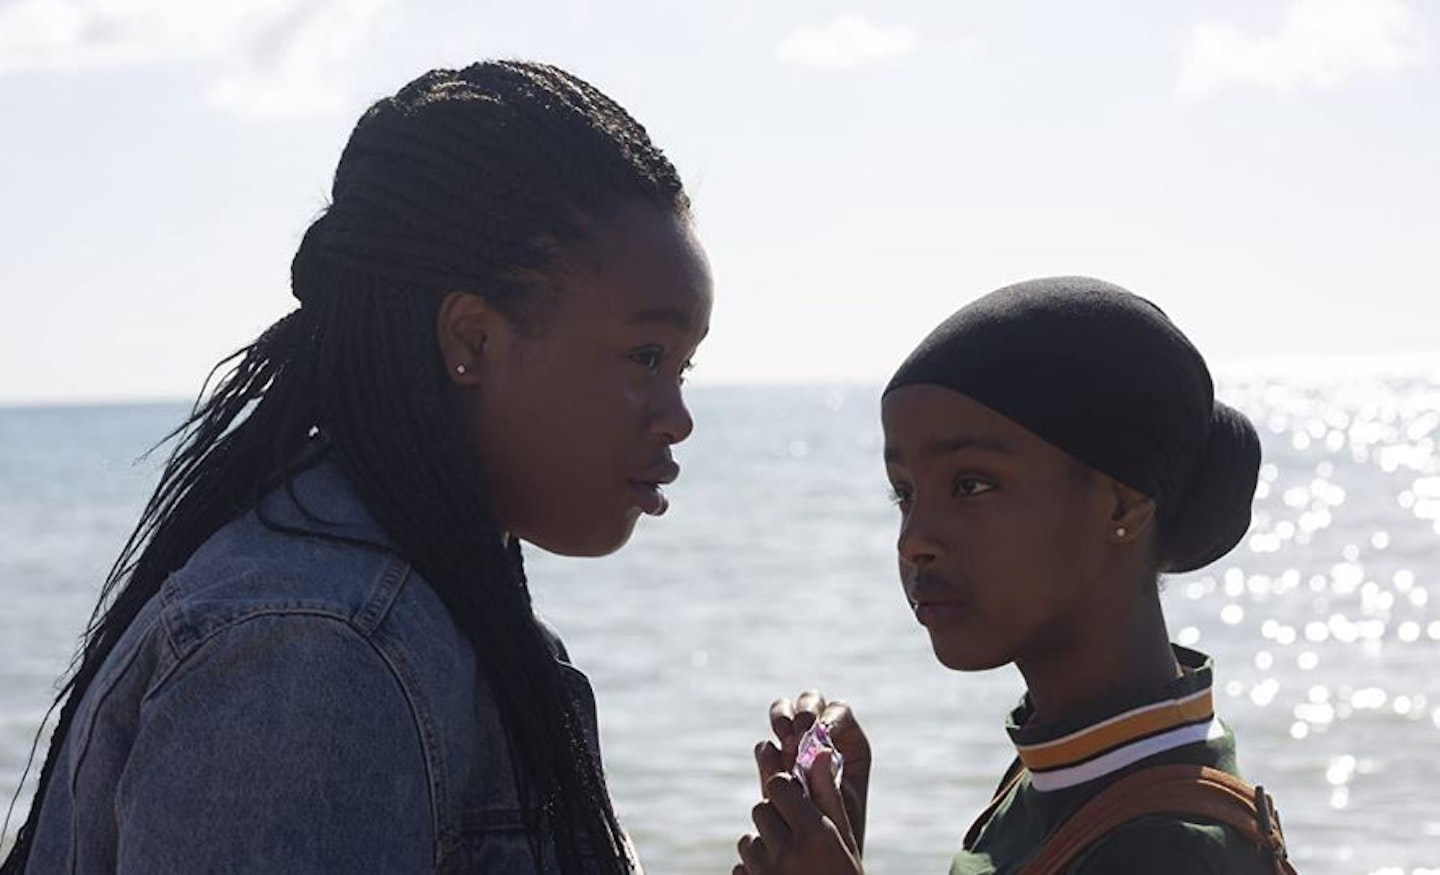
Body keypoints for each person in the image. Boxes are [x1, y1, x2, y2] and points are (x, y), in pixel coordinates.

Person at [2, 60, 711, 874]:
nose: (678, 416)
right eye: (645, 354)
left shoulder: (413, 615)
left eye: (681, 367)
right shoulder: (316, 655)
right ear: (472, 339)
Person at [736, 277, 1286, 874]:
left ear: (1123, 505)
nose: (914, 540)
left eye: (971, 485)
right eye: (905, 493)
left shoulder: (1170, 847)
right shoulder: (1053, 774)